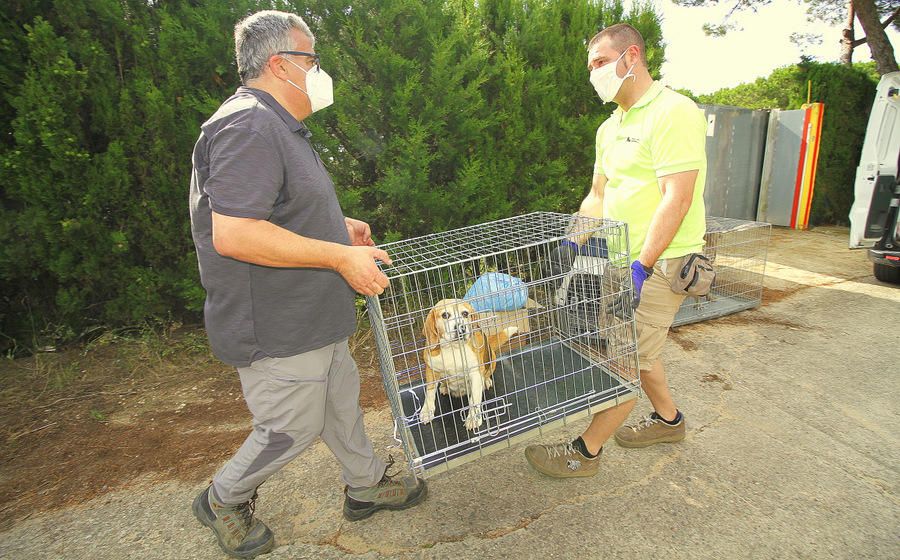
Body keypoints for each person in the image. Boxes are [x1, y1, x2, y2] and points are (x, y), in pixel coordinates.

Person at [188, 10, 426, 558]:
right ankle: (225, 497)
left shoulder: (277, 124)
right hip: (276, 324)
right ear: (280, 64)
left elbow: (276, 210)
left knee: (341, 401)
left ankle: (365, 483)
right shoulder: (247, 124)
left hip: (312, 313)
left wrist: (337, 230)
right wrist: (339, 256)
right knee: (291, 426)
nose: (320, 72)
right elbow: (236, 232)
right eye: (312, 60)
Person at [525, 23, 707, 478]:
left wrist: (642, 267)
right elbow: (598, 195)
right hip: (619, 258)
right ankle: (669, 421)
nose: (594, 75)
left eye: (601, 63)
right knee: (638, 350)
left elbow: (677, 197)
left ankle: (584, 453)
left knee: (625, 360)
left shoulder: (673, 111)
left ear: (632, 56)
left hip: (663, 263)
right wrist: (572, 240)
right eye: (590, 67)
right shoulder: (610, 127)